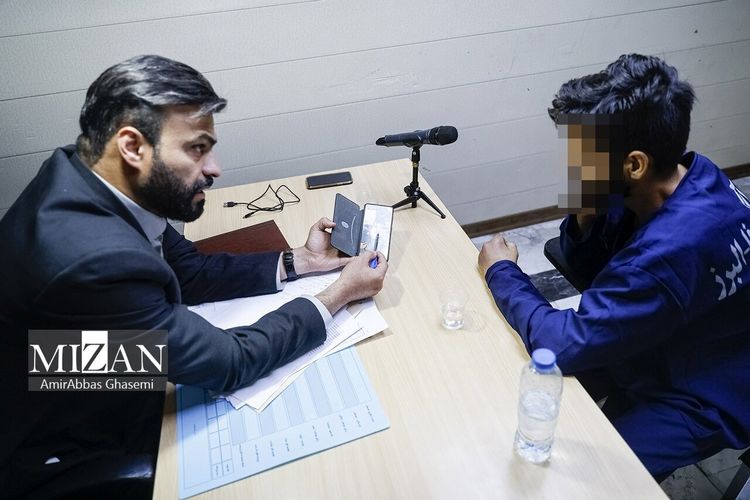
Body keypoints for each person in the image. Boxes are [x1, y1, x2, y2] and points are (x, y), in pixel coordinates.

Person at [0, 55, 387, 496]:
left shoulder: (91, 172)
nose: (214, 168)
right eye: (196, 149)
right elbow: (230, 363)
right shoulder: (94, 259)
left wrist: (300, 262)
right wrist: (337, 294)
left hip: (68, 357)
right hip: (63, 431)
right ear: (132, 147)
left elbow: (185, 269)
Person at [479, 54, 750, 479]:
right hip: (675, 335)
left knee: (593, 476)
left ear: (635, 164)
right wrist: (586, 210)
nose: (571, 166)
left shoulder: (667, 254)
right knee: (510, 392)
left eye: (581, 155)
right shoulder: (691, 173)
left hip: (710, 390)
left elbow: (560, 344)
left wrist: (501, 271)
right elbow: (595, 271)